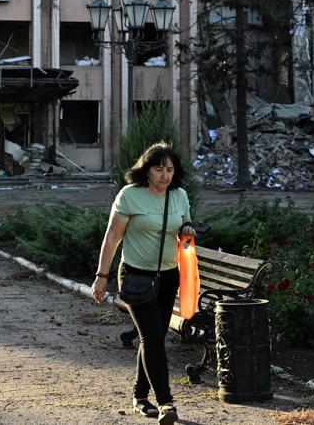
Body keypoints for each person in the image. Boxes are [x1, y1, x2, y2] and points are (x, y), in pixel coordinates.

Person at [91, 142, 195, 425]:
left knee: (155, 338)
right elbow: (112, 238)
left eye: (170, 169)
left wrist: (188, 229)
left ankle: (139, 397)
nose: (165, 175)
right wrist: (102, 277)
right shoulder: (130, 196)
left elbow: (185, 226)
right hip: (136, 276)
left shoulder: (179, 195)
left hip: (169, 275)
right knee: (151, 337)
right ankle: (166, 404)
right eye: (159, 168)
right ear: (146, 171)